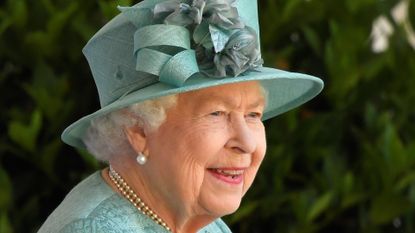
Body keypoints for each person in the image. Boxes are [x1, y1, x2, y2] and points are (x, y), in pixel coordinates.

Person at [38, 0, 323, 232]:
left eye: (253, 114)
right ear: (138, 130)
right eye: (217, 113)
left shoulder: (200, 224)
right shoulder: (94, 229)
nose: (247, 143)